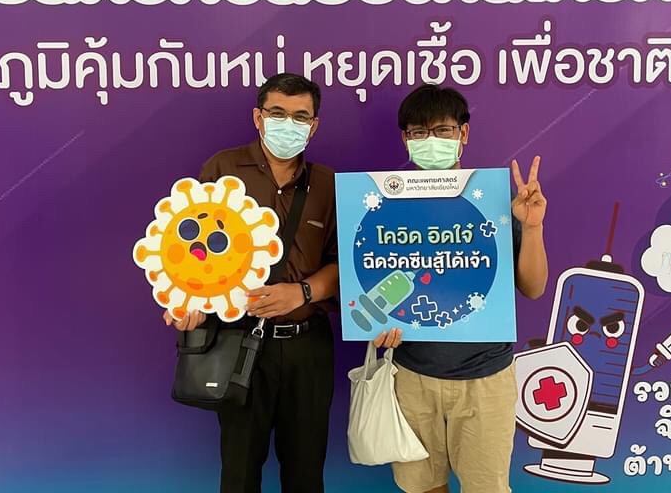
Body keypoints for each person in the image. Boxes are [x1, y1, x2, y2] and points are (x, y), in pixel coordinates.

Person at [164, 73, 340, 493]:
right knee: (239, 473)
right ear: (258, 118)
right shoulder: (222, 169)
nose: (288, 123)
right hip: (239, 342)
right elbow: (192, 245)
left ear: (314, 125)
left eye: (300, 116)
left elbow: (343, 264)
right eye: (277, 113)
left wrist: (302, 292)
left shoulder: (329, 184)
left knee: (306, 474)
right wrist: (189, 301)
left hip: (307, 346)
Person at [375, 84, 549, 493]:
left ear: (463, 133)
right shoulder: (386, 205)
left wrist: (532, 227)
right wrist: (375, 325)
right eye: (419, 132)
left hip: (485, 378)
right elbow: (372, 291)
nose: (430, 141)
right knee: (422, 486)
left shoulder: (495, 202)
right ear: (405, 139)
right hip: (413, 375)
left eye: (442, 130)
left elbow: (534, 287)